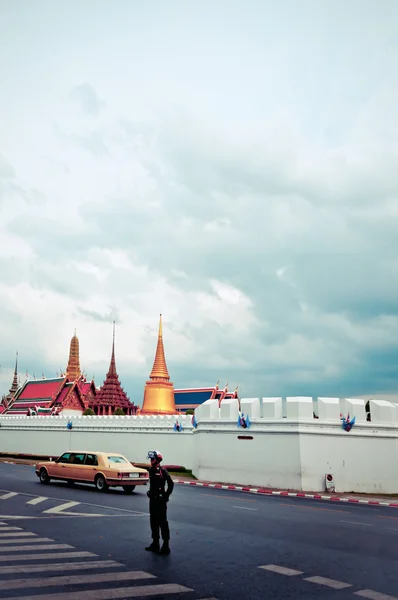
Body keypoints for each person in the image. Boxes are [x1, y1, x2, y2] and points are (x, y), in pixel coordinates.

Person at [145, 450, 174, 555]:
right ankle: (155, 543)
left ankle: (166, 546)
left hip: (160, 501)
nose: (151, 461)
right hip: (152, 500)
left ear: (157, 459)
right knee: (153, 521)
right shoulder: (151, 470)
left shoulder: (162, 470)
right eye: (150, 459)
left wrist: (166, 496)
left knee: (163, 522)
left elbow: (171, 484)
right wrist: (150, 492)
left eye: (152, 459)